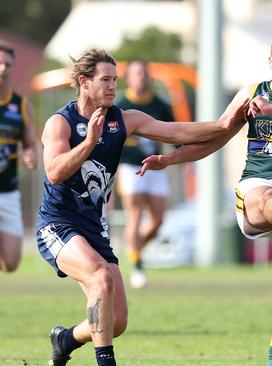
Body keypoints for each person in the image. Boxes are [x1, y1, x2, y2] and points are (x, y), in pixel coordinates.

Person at [137, 31, 272, 366]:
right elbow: (218, 134)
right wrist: (172, 158)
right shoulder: (251, 93)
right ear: (271, 61)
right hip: (259, 180)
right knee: (270, 197)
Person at [36, 49, 248, 366]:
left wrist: (231, 121)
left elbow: (181, 132)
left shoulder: (124, 119)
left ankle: (65, 339)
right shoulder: (60, 123)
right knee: (99, 278)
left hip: (94, 229)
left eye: (115, 80)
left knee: (116, 321)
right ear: (84, 82)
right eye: (105, 80)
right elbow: (54, 171)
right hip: (57, 225)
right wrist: (89, 142)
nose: (112, 87)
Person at [115, 60, 175, 289]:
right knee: (136, 214)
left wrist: (185, 156)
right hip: (130, 167)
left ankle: (134, 248)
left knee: (158, 221)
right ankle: (138, 266)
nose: (141, 77)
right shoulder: (122, 105)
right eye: (136, 73)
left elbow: (174, 133)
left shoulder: (160, 105)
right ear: (129, 78)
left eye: (144, 73)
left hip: (155, 167)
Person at [0, 40, 37, 273]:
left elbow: (29, 144)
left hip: (9, 191)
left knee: (11, 263)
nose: (3, 68)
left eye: (7, 64)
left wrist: (29, 155)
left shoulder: (21, 105)